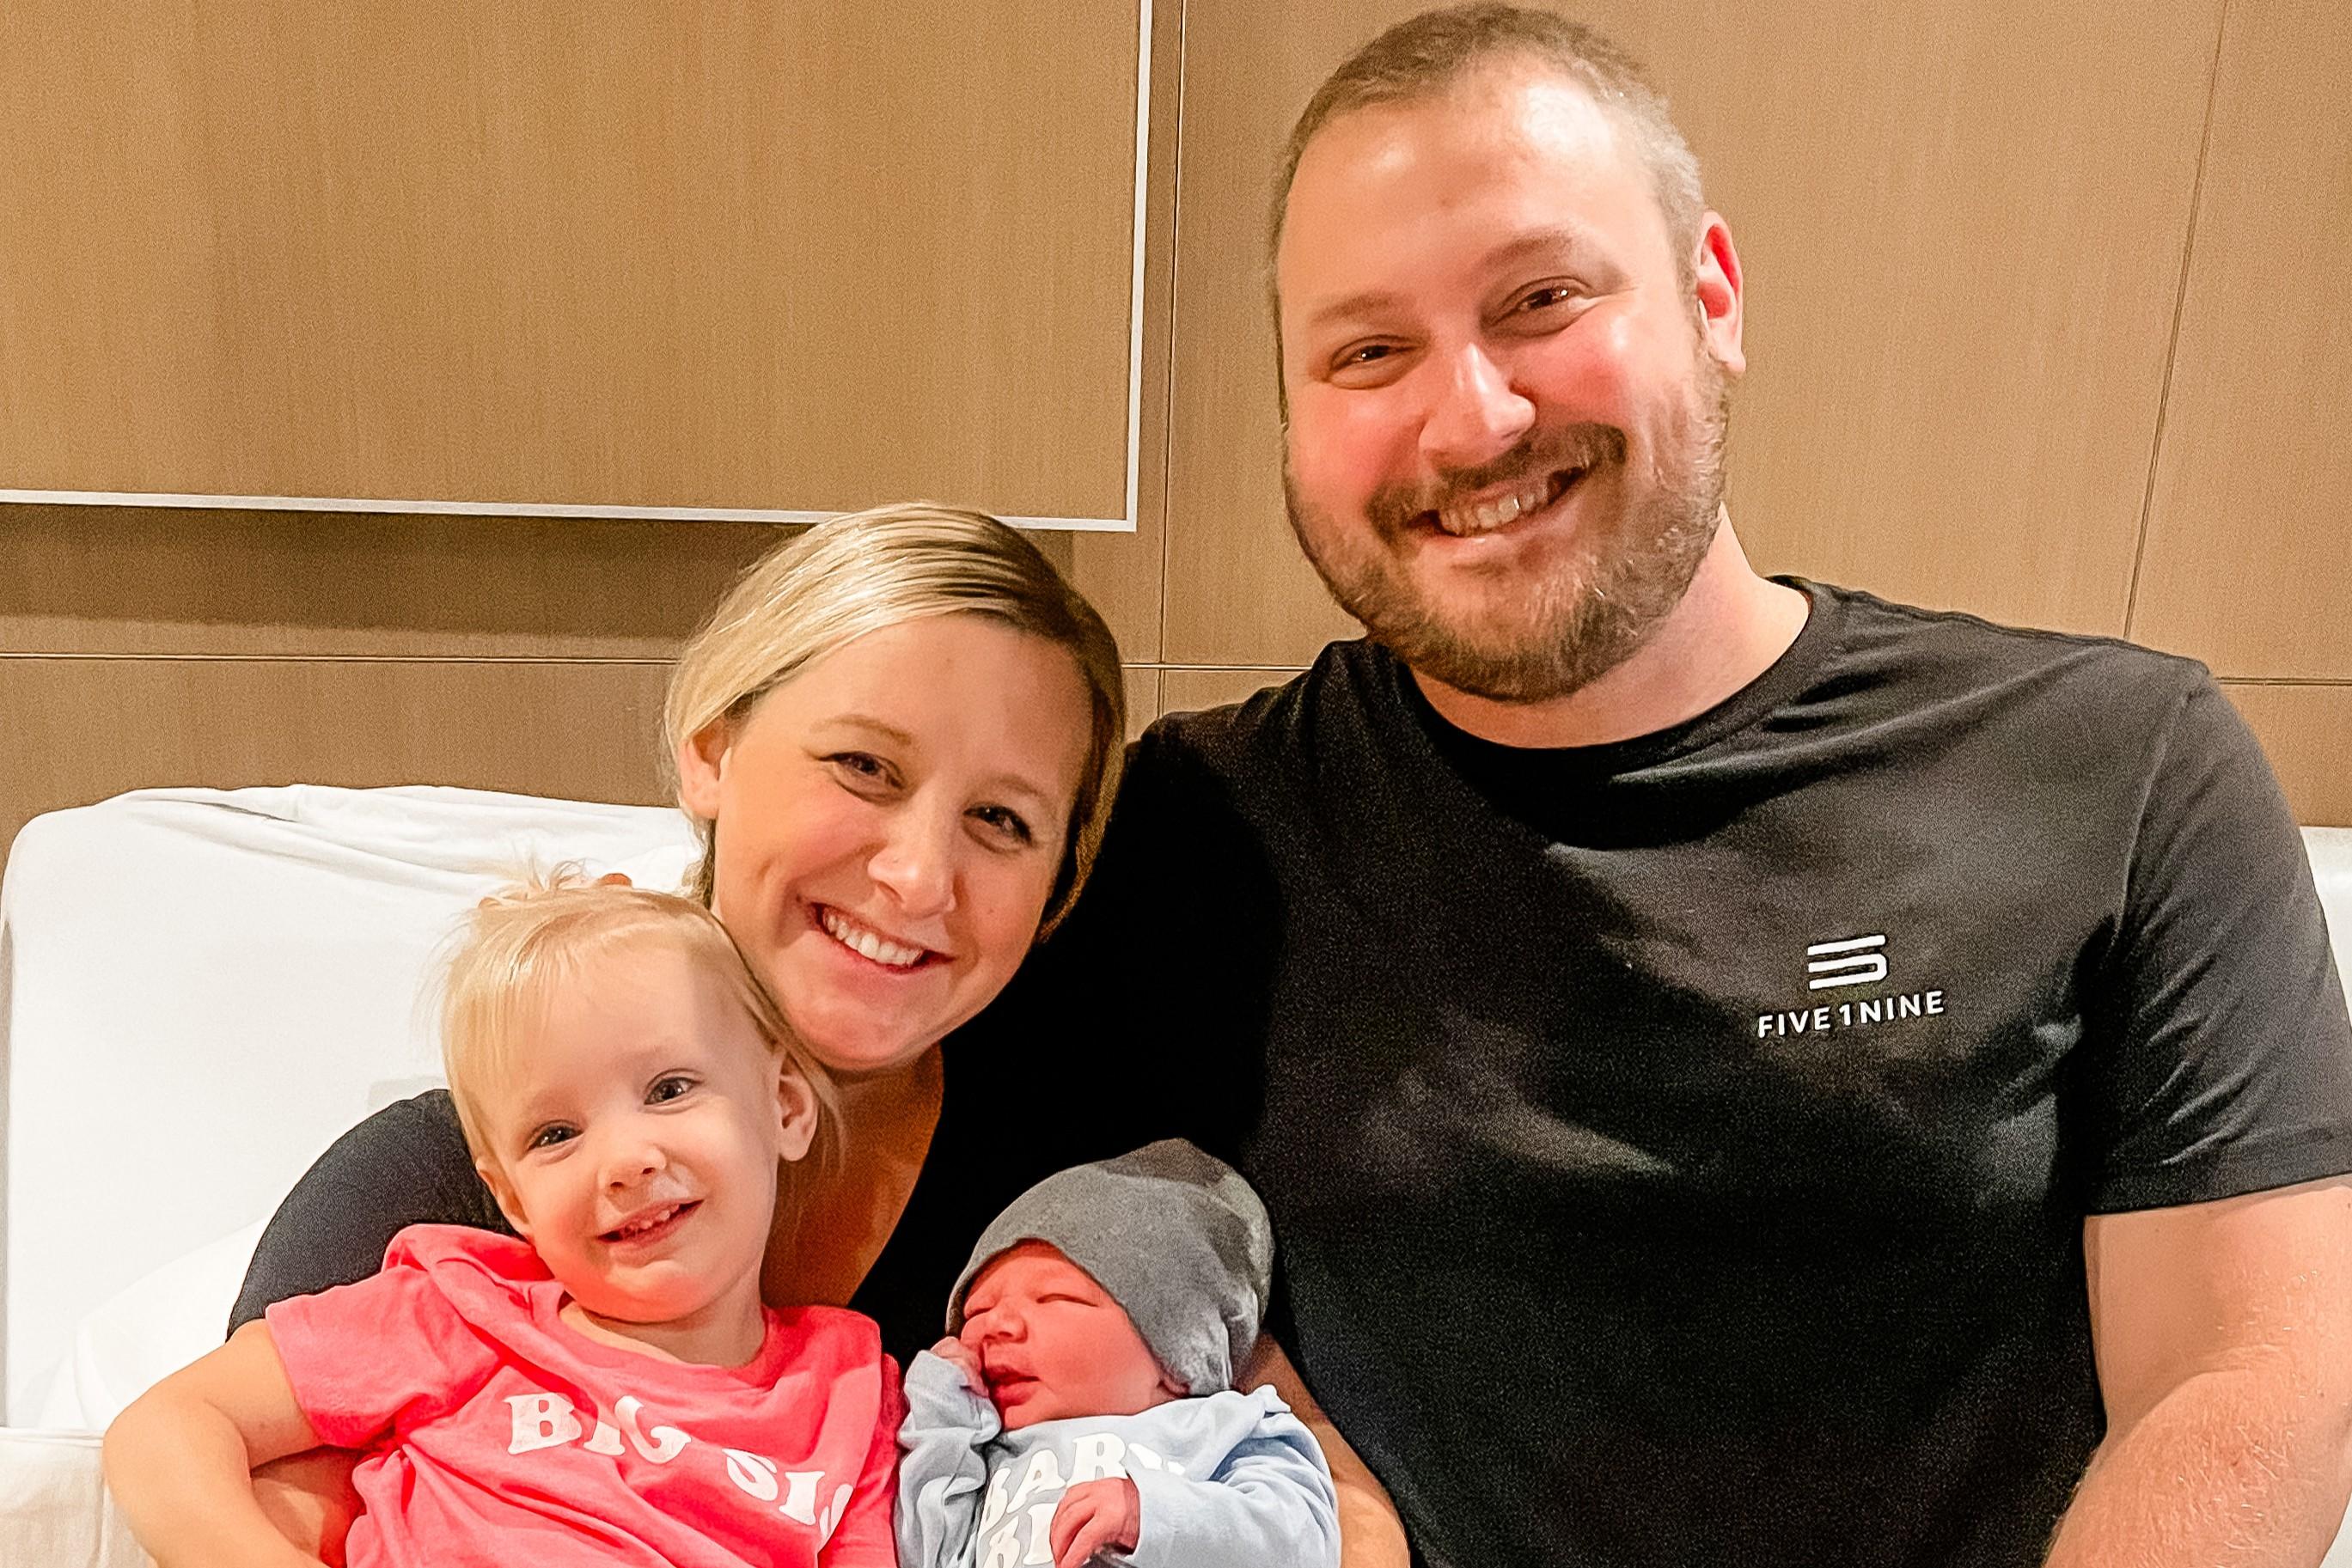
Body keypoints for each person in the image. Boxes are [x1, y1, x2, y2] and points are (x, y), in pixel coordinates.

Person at [978, 6, 2352, 1565]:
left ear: (1712, 296)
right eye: (1368, 352)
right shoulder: (1186, 832)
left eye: (1541, 299)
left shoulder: (2113, 765)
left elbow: (2246, 1382)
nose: (1472, 420)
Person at [228, 503, 1402, 1559]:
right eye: (864, 765)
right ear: (710, 749)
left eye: (1001, 819)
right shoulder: (437, 1200)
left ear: (1056, 885)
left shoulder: (1080, 1190)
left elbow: (1339, 1521)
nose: (917, 876)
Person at [107, 876, 901, 1566]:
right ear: (512, 1199)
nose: (625, 1160)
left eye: (669, 1089)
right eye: (555, 1135)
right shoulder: (455, 1311)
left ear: (784, 1105)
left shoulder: (851, 1387)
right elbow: (166, 1427)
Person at [895, 1141, 1339, 1568]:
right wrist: (943, 1422)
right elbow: (929, 1555)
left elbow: (1301, 1543)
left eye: (1055, 1298)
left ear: (1176, 1360)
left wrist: (1149, 1517)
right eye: (976, 1312)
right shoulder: (984, 1461)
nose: (995, 1326)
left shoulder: (1224, 1425)